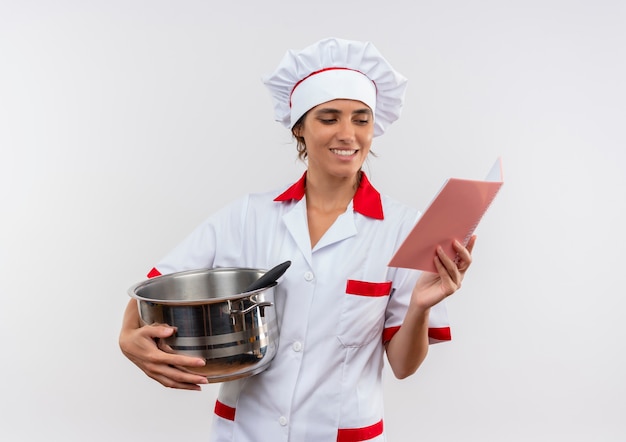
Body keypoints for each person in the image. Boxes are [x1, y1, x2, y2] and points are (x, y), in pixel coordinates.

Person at [119, 37, 476, 441]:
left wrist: (420, 307)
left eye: (361, 119)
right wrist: (127, 339)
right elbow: (155, 288)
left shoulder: (405, 228)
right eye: (329, 118)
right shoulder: (246, 216)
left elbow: (403, 366)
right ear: (300, 127)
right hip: (245, 431)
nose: (348, 134)